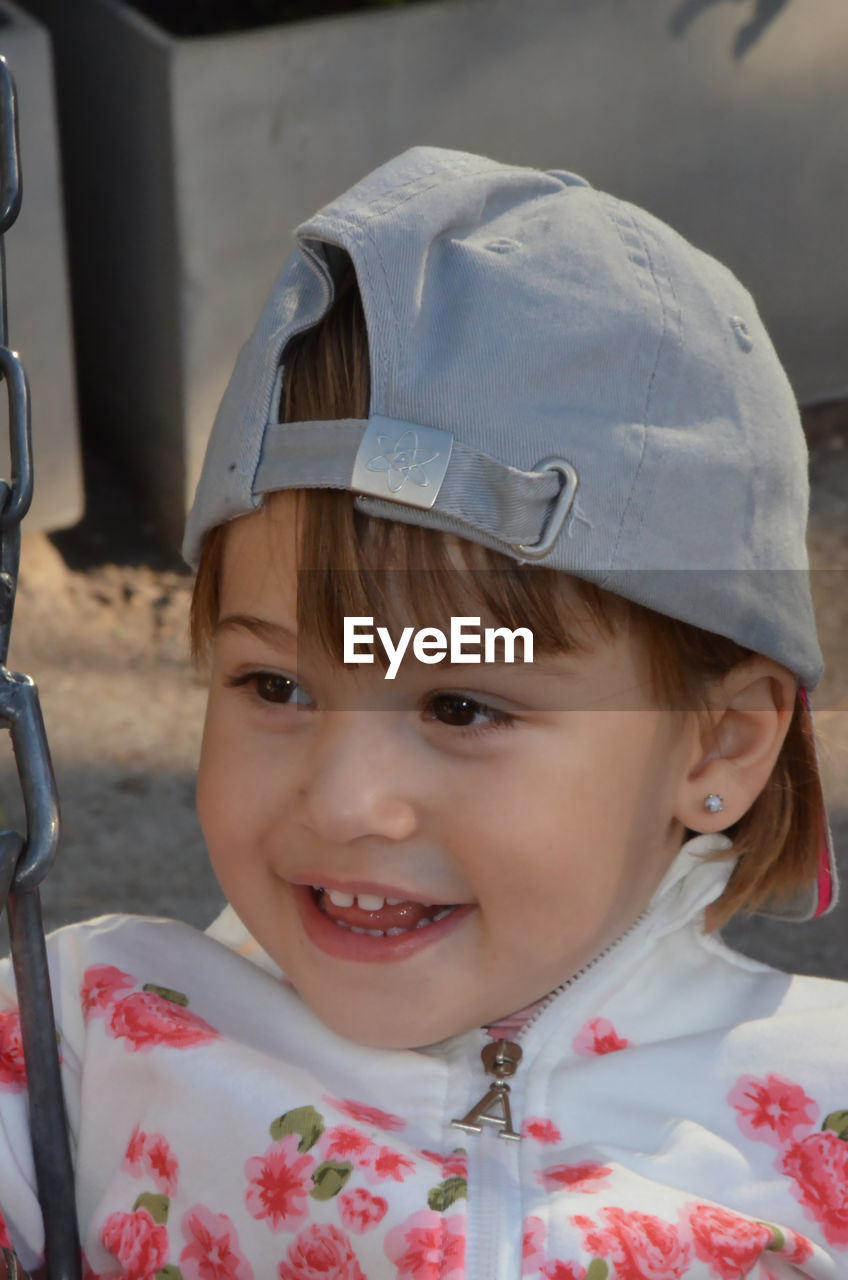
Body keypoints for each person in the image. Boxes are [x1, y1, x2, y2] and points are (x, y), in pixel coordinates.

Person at [1, 146, 846, 1280]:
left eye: (458, 700)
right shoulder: (83, 1042)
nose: (344, 801)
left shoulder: (813, 1117)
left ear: (720, 742)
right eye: (276, 686)